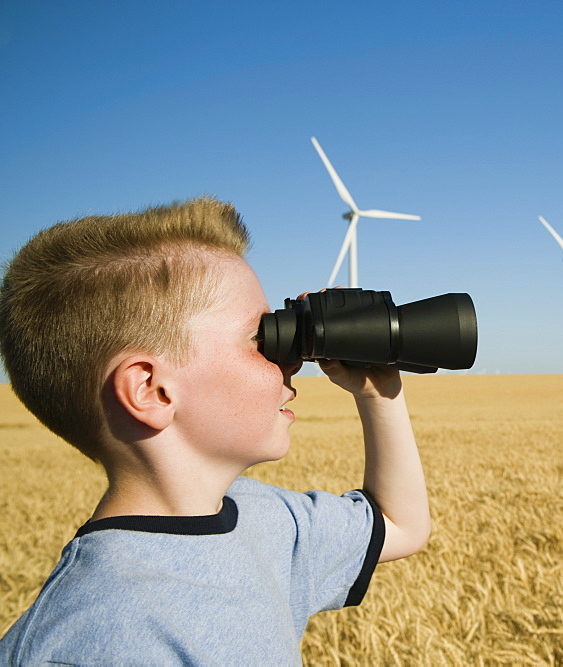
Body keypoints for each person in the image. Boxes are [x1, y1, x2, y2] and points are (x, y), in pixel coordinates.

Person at [0, 197, 431, 664]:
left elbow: (400, 525)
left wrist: (377, 388)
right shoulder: (94, 641)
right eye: (259, 339)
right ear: (153, 390)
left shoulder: (264, 518)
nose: (290, 361)